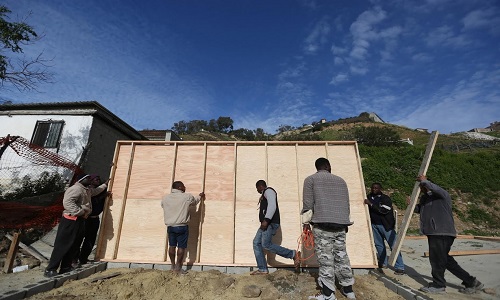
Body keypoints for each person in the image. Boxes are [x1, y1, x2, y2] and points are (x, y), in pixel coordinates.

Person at [415, 175, 484, 294]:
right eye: (421, 186)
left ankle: (438, 285)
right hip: (433, 233)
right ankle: (472, 282)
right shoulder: (425, 199)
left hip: (442, 232)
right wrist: (412, 205)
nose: (421, 188)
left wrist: (425, 181)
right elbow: (421, 210)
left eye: (423, 186)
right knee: (446, 260)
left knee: (436, 260)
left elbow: (436, 189)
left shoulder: (442, 195)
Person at [302, 157, 355, 300]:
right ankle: (348, 290)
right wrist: (345, 222)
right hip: (341, 225)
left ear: (317, 167)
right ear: (328, 166)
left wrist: (306, 223)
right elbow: (346, 203)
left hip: (322, 225)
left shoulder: (310, 180)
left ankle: (328, 294)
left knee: (326, 259)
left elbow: (308, 204)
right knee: (342, 257)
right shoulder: (341, 181)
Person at [44, 173, 108, 277]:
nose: (90, 180)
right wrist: (80, 212)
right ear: (82, 180)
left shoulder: (86, 189)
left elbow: (96, 191)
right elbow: (68, 203)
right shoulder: (75, 189)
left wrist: (105, 185)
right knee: (62, 245)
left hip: (79, 220)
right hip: (71, 220)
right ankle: (51, 269)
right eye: (88, 178)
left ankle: (65, 267)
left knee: (74, 245)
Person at [251, 180, 301, 275]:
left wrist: (266, 220)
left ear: (260, 186)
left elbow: (272, 206)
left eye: (257, 188)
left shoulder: (268, 191)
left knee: (266, 244)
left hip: (269, 223)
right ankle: (262, 269)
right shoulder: (265, 193)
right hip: (266, 223)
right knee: (256, 242)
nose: (257, 190)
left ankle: (293, 254)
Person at [161, 181, 205, 275]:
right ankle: (178, 268)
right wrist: (200, 196)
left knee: (172, 246)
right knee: (181, 247)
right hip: (181, 226)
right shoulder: (186, 197)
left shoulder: (165, 198)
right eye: (184, 187)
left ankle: (172, 266)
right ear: (180, 187)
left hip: (170, 226)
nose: (185, 188)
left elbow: (163, 206)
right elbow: (195, 202)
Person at [364, 182, 405, 275]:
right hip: (374, 225)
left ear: (380, 189)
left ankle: (400, 267)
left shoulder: (386, 199)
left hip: (386, 226)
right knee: (379, 245)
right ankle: (383, 263)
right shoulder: (369, 197)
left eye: (376, 188)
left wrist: (370, 204)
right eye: (373, 188)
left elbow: (383, 210)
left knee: (393, 245)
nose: (374, 189)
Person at [76, 174, 110, 265]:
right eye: (95, 179)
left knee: (90, 240)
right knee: (79, 239)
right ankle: (74, 259)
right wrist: (102, 197)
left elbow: (102, 190)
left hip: (94, 219)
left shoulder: (100, 190)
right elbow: (92, 201)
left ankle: (83, 258)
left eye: (98, 179)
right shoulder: (88, 190)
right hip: (86, 218)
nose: (97, 180)